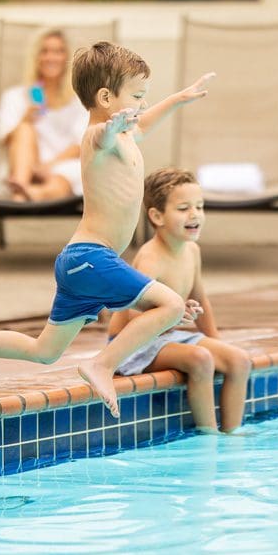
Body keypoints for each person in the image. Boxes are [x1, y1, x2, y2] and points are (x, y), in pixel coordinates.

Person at [0, 41, 216, 418]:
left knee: (45, 351)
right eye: (137, 95)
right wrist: (111, 128)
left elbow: (141, 123)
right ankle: (101, 364)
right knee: (171, 303)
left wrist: (179, 98)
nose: (144, 104)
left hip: (85, 263)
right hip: (90, 258)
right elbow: (103, 136)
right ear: (105, 97)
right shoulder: (96, 137)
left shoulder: (128, 135)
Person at [106, 168, 252, 434]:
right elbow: (133, 317)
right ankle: (208, 434)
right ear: (157, 216)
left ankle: (233, 433)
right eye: (184, 208)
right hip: (132, 344)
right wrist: (172, 314)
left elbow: (201, 299)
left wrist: (216, 340)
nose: (195, 214)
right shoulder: (151, 257)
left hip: (167, 336)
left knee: (239, 360)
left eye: (200, 206)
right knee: (200, 359)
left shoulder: (191, 251)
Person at [0, 28, 88, 202]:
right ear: (35, 58)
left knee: (63, 180)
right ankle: (21, 187)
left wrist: (48, 167)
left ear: (67, 58)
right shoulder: (15, 96)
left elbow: (82, 143)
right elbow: (4, 139)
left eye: (58, 51)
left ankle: (26, 195)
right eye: (44, 51)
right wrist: (26, 119)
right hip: (22, 168)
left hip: (62, 168)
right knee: (23, 129)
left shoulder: (81, 100)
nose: (51, 57)